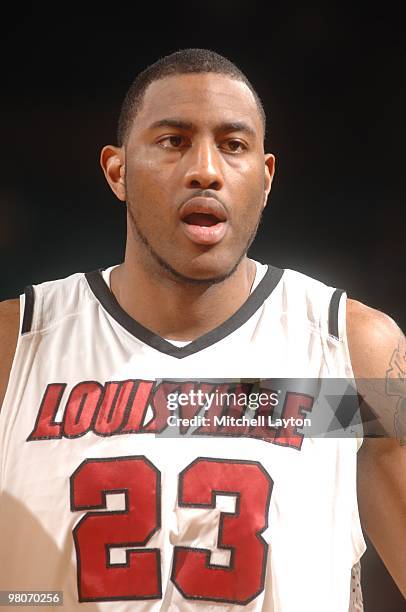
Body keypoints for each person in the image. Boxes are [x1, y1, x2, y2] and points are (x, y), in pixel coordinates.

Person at [0, 48, 404, 612]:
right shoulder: (16, 347)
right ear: (117, 171)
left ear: (265, 178)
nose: (206, 169)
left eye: (233, 145)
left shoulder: (353, 352)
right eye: (173, 141)